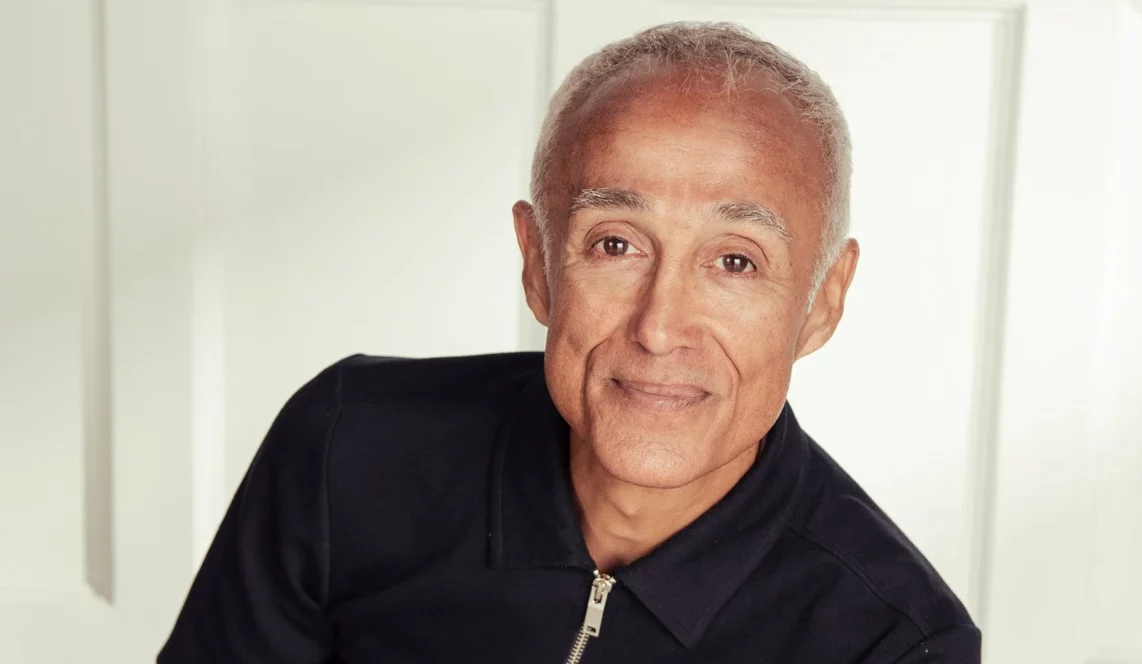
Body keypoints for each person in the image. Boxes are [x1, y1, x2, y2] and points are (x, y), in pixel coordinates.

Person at [159, 21, 979, 663]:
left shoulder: (893, 643)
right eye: (615, 244)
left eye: (735, 261)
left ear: (822, 303)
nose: (659, 327)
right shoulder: (348, 446)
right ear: (538, 263)